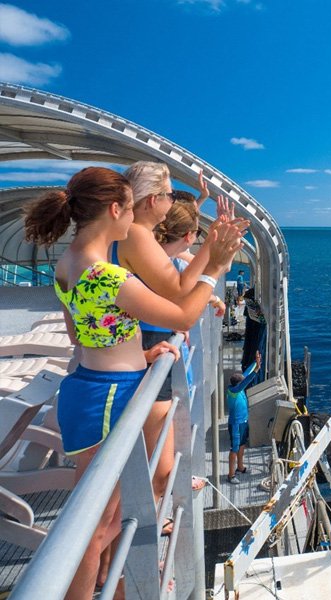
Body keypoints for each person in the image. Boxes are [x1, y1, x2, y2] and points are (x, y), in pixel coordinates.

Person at [23, 167, 243, 600]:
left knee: (110, 516)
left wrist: (141, 354)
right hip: (108, 396)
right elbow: (182, 316)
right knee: (91, 527)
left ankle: (114, 587)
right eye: (131, 209)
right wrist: (214, 268)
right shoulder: (107, 275)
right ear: (115, 209)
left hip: (93, 385)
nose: (140, 223)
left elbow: (81, 334)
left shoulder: (68, 264)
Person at [113, 162, 247, 508]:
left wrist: (213, 241)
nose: (173, 201)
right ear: (151, 199)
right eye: (170, 194)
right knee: (154, 467)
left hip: (137, 348)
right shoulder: (137, 234)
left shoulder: (136, 233)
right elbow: (178, 292)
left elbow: (177, 284)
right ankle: (153, 528)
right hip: (137, 350)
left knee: (149, 460)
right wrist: (215, 259)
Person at [226, 351, 261, 483]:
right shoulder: (234, 391)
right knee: (234, 448)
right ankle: (231, 475)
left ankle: (240, 467)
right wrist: (257, 370)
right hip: (235, 424)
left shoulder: (237, 386)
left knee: (242, 445)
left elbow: (245, 375)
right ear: (238, 384)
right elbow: (247, 380)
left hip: (243, 422)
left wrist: (255, 361)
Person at [242, 287, 267, 370]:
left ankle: (247, 365)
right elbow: (263, 320)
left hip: (252, 325)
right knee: (256, 348)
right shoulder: (255, 306)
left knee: (250, 345)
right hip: (257, 327)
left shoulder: (249, 301)